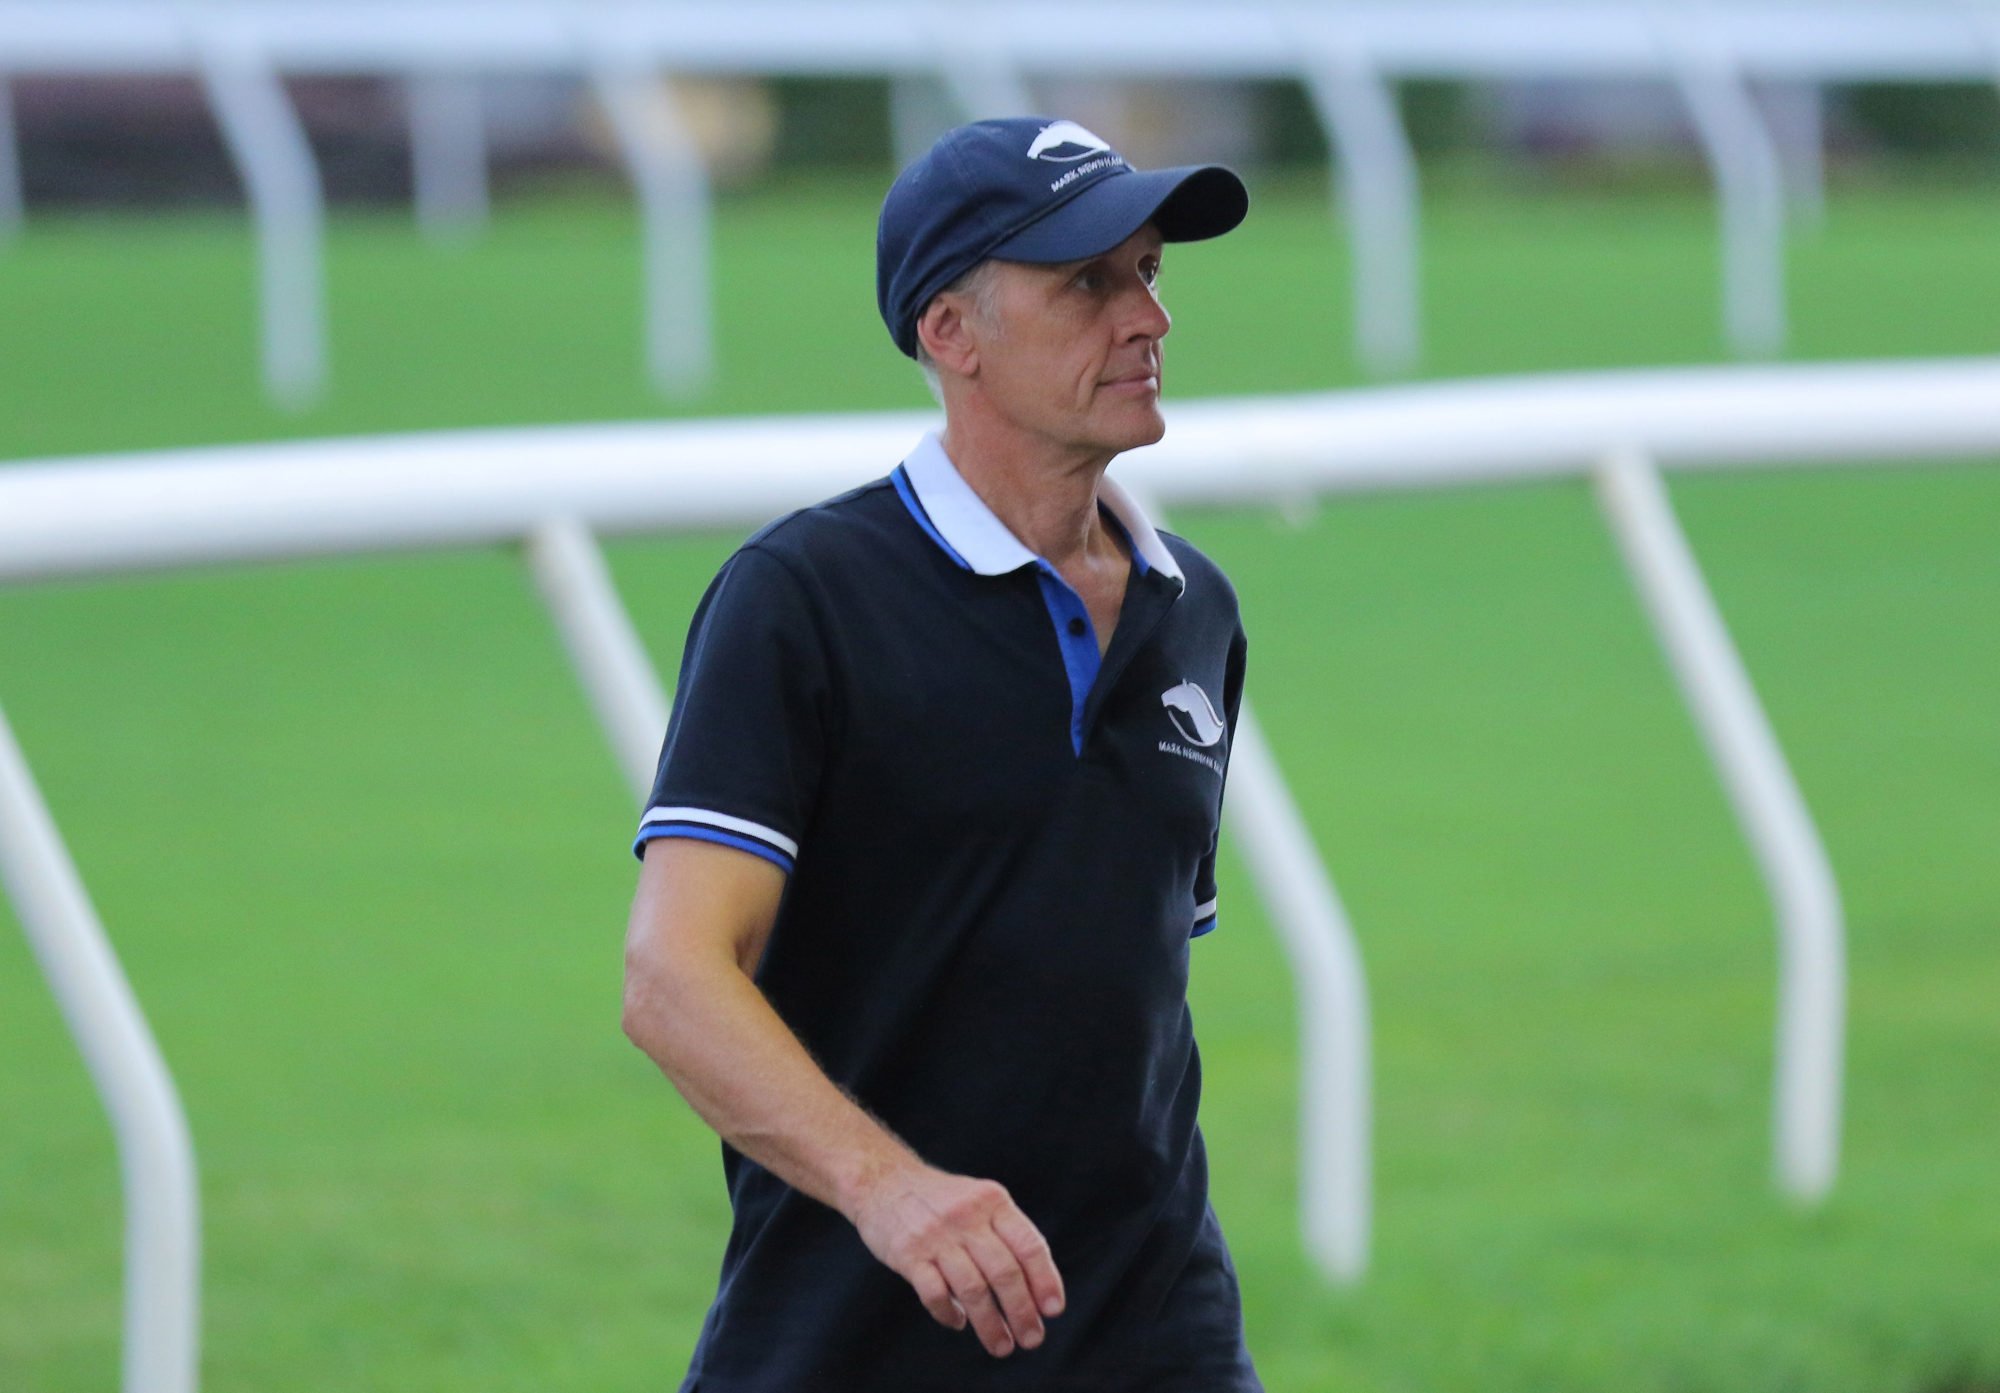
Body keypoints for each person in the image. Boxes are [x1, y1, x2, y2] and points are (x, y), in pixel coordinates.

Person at [621, 116, 1258, 1391]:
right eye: (1088, 282)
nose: (1146, 319)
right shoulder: (800, 598)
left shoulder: (1196, 610)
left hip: (1156, 1337)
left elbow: (1119, 1006)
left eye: (1148, 272)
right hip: (850, 1339)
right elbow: (672, 977)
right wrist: (892, 1191)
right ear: (948, 334)